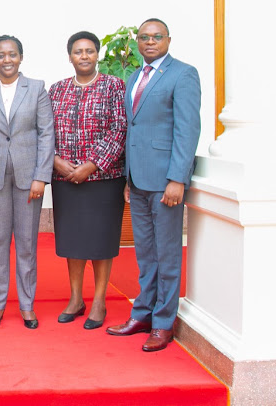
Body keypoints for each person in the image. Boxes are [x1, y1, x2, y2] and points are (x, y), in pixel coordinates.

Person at [106, 18, 201, 352]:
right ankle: (142, 314)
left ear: (169, 40)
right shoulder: (135, 76)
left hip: (165, 184)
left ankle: (163, 323)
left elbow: (187, 131)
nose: (149, 42)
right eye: (144, 38)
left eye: (156, 37)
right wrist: (129, 179)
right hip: (140, 182)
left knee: (167, 255)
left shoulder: (183, 74)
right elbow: (135, 131)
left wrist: (177, 179)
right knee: (146, 255)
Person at [0, 35, 54, 329]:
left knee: (28, 245)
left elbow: (46, 134)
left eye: (12, 54)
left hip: (29, 178)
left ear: (21, 57)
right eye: (2, 55)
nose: (7, 60)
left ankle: (27, 305)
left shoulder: (37, 89)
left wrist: (41, 176)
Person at [49, 31, 127, 330]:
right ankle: (76, 298)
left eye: (90, 51)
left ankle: (99, 301)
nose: (84, 56)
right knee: (73, 240)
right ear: (70, 56)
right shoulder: (56, 90)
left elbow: (119, 128)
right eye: (78, 51)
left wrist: (91, 165)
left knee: (101, 241)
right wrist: (56, 160)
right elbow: (44, 130)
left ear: (98, 55)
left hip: (104, 178)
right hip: (64, 177)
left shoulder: (113, 86)